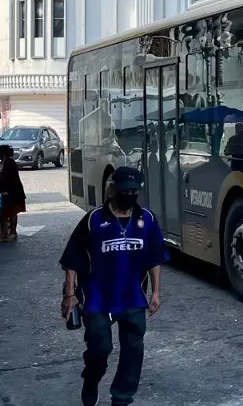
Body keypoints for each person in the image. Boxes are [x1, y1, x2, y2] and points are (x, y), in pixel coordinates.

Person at [59, 166, 168, 406]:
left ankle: (122, 398)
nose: (129, 195)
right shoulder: (94, 219)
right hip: (98, 297)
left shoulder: (146, 219)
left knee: (133, 350)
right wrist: (70, 294)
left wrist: (156, 293)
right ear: (113, 190)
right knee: (100, 348)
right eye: (124, 190)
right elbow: (72, 259)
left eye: (134, 191)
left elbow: (155, 258)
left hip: (133, 297)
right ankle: (91, 378)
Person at [0, 144, 26, 242]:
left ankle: (13, 232)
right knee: (3, 213)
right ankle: (4, 233)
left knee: (12, 212)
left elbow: (9, 179)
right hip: (1, 193)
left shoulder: (11, 164)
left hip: (12, 192)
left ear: (3, 153)